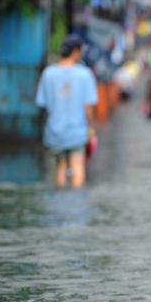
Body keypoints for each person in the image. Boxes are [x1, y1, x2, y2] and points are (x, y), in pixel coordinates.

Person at [35, 34, 98, 188]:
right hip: (76, 132)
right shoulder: (85, 74)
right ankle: (76, 205)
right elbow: (88, 108)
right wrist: (90, 130)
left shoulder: (48, 74)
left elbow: (43, 104)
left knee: (60, 168)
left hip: (55, 131)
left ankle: (60, 202)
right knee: (78, 167)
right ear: (75, 51)